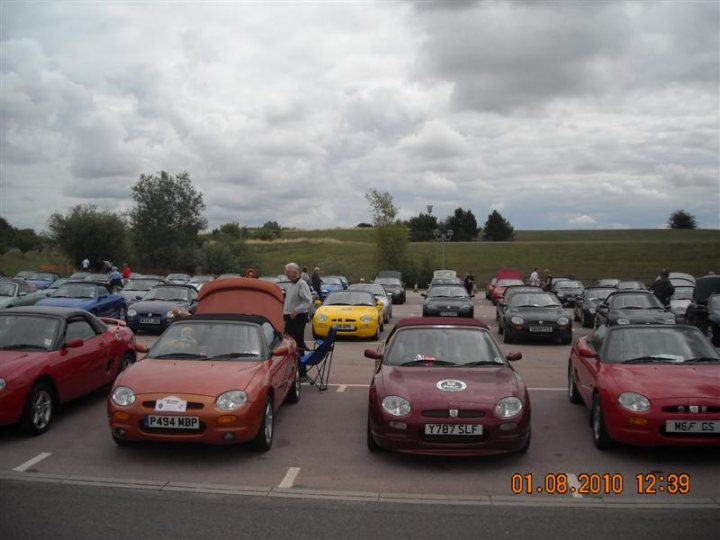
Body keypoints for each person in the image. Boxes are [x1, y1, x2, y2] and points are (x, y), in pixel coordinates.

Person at [283, 262, 313, 377]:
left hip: (298, 318)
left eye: (288, 271)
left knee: (297, 343)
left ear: (295, 272)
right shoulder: (291, 284)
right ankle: (294, 370)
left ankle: (302, 372)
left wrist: (296, 311)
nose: (286, 274)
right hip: (290, 318)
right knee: (291, 343)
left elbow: (308, 300)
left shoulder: (301, 284)